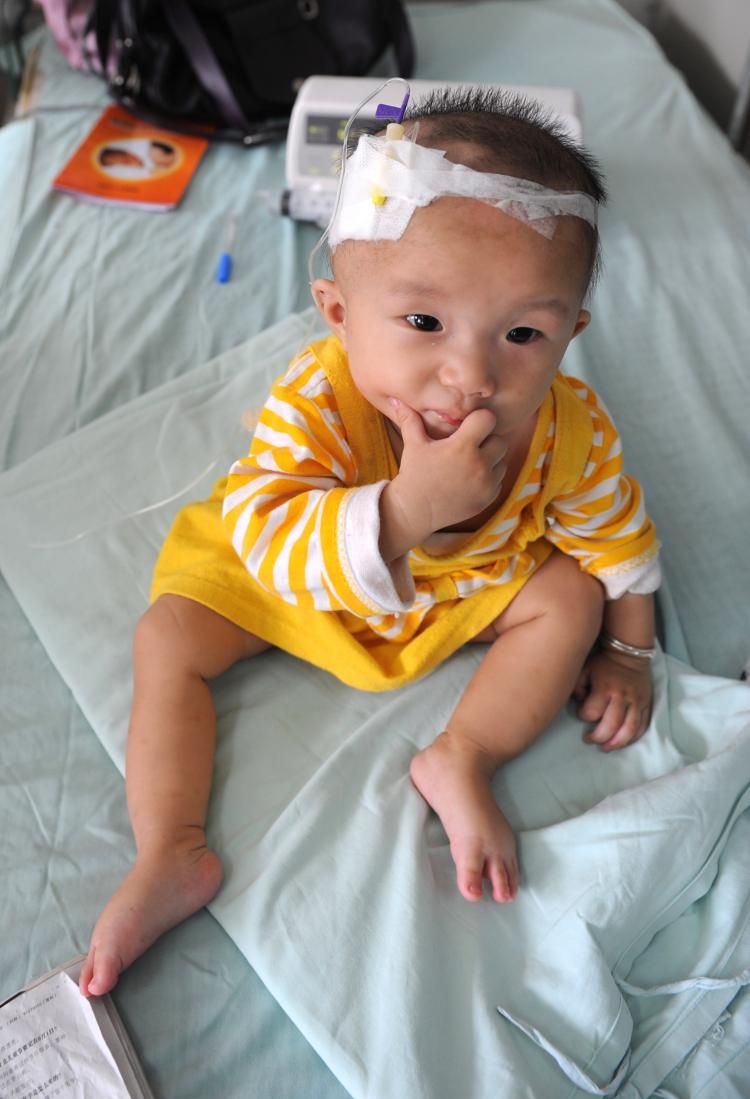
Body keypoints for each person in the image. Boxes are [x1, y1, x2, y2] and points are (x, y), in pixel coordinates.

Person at [80, 87, 661, 998]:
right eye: (423, 323)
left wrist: (628, 649)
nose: (471, 375)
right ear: (340, 314)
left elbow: (617, 535)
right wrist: (400, 511)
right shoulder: (317, 404)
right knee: (167, 637)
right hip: (300, 566)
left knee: (571, 599)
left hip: (457, 587)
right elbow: (272, 539)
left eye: (523, 334)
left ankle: (462, 756)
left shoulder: (567, 430)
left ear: (569, 335)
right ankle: (171, 849)